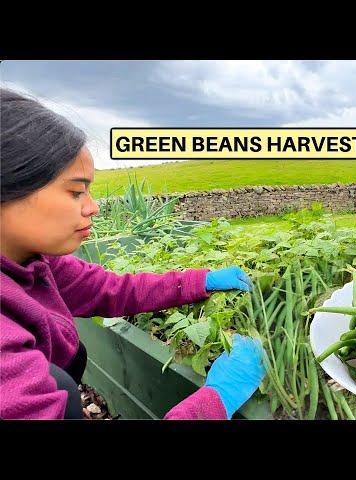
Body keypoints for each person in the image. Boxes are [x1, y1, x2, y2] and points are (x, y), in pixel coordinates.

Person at [0, 88, 266, 420]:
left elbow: (112, 290)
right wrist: (215, 401)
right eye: (75, 191)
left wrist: (204, 281)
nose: (93, 207)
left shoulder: (33, 262)